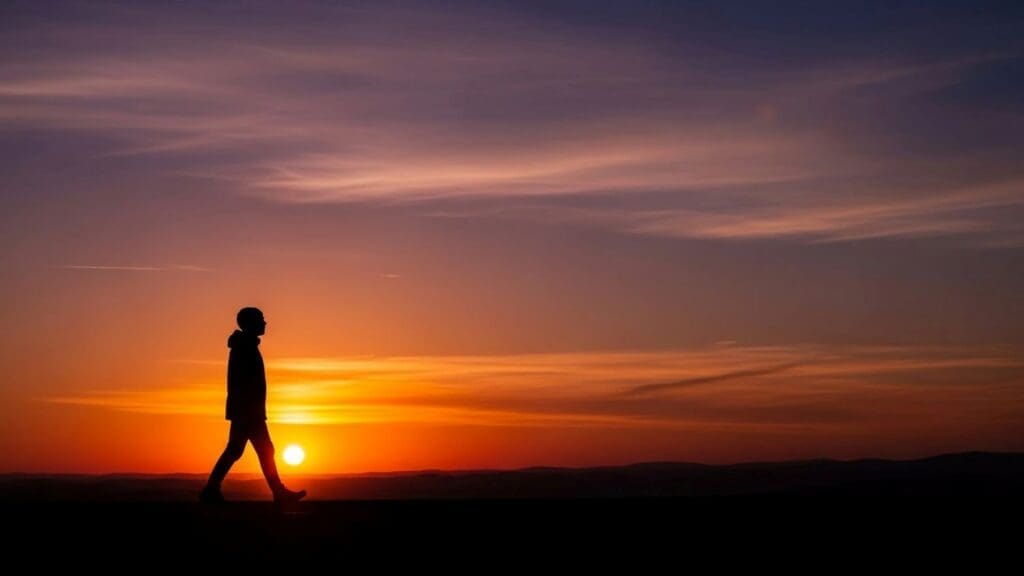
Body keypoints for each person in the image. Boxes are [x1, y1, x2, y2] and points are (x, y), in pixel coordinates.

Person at [200, 307, 306, 503]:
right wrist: (249, 411)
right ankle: (278, 493)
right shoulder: (244, 347)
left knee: (240, 450)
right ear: (251, 323)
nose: (265, 323)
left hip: (247, 410)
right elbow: (242, 382)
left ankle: (212, 489)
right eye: (261, 319)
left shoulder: (245, 345)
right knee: (257, 449)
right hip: (247, 411)